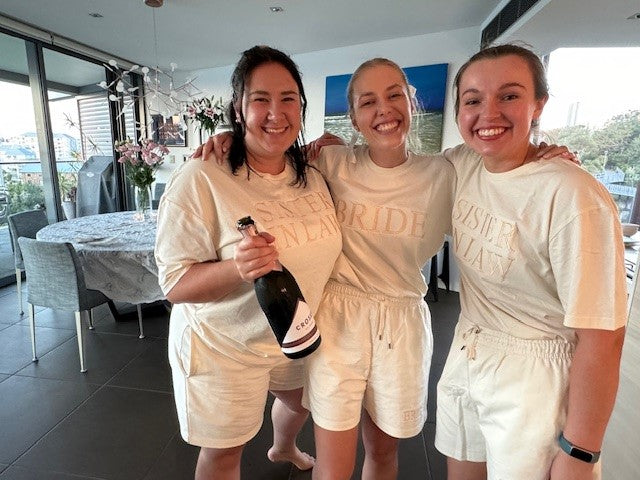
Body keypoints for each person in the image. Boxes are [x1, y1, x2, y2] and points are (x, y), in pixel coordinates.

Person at [197, 56, 574, 480]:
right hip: (338, 321)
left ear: (412, 103)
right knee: (334, 466)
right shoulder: (330, 161)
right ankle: (284, 446)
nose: (384, 110)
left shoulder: (448, 170)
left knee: (382, 453)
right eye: (367, 102)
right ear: (354, 118)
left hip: (401, 323)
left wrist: (542, 154)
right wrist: (229, 138)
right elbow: (272, 155)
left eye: (394, 95)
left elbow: (504, 159)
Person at [435, 44, 627, 480]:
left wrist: (581, 452)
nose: (489, 113)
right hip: (468, 349)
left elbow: (603, 336)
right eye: (473, 100)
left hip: (537, 375)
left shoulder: (572, 195)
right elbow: (394, 170)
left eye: (509, 96)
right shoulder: (462, 164)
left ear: (538, 104)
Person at [154, 45, 342, 480]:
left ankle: (283, 448)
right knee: (224, 454)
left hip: (292, 332)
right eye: (261, 99)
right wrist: (237, 268)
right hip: (224, 346)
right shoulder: (202, 176)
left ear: (301, 106)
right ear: (238, 108)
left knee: (301, 402)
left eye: (288, 98)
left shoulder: (311, 173)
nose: (276, 112)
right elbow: (175, 285)